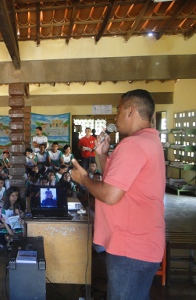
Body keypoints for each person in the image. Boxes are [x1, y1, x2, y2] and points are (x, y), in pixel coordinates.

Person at [71, 89, 165, 300]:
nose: (115, 116)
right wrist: (102, 155)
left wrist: (83, 179)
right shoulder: (150, 142)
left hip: (130, 248)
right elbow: (119, 183)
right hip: (142, 243)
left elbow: (111, 195)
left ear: (131, 111)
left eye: (118, 110)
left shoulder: (132, 145)